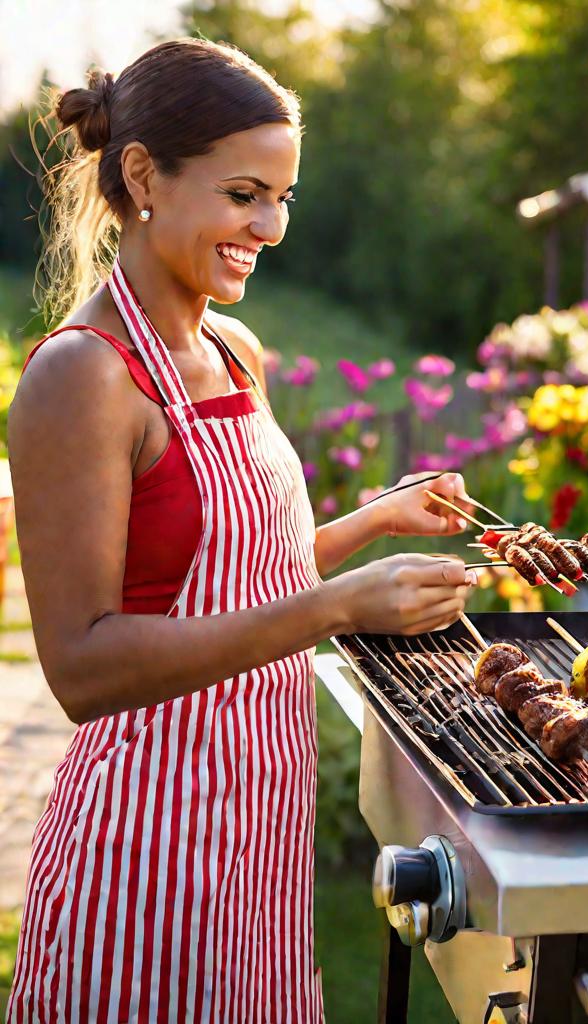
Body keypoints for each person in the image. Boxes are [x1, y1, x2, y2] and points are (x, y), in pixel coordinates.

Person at [5, 37, 476, 1023]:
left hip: (258, 837)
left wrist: (374, 522)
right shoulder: (82, 375)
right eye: (243, 194)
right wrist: (338, 607)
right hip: (144, 853)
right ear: (143, 177)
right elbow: (83, 667)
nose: (269, 226)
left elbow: (235, 582)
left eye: (283, 198)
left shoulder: (232, 347)